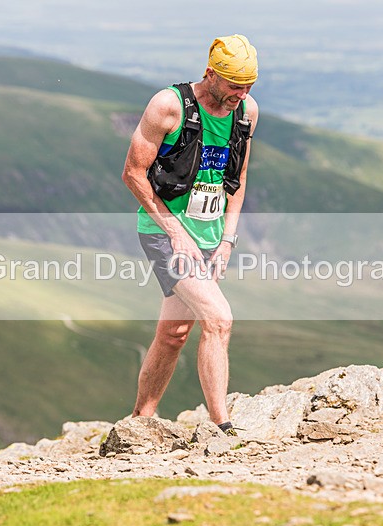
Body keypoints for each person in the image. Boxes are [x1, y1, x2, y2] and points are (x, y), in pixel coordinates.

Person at [121, 34, 259, 436]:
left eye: (249, 84)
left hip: (211, 235)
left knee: (174, 334)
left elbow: (240, 177)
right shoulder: (169, 106)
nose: (242, 93)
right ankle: (222, 427)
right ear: (210, 74)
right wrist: (175, 232)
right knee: (218, 319)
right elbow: (133, 173)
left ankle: (140, 423)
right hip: (164, 232)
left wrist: (228, 239)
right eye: (235, 84)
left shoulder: (247, 110)